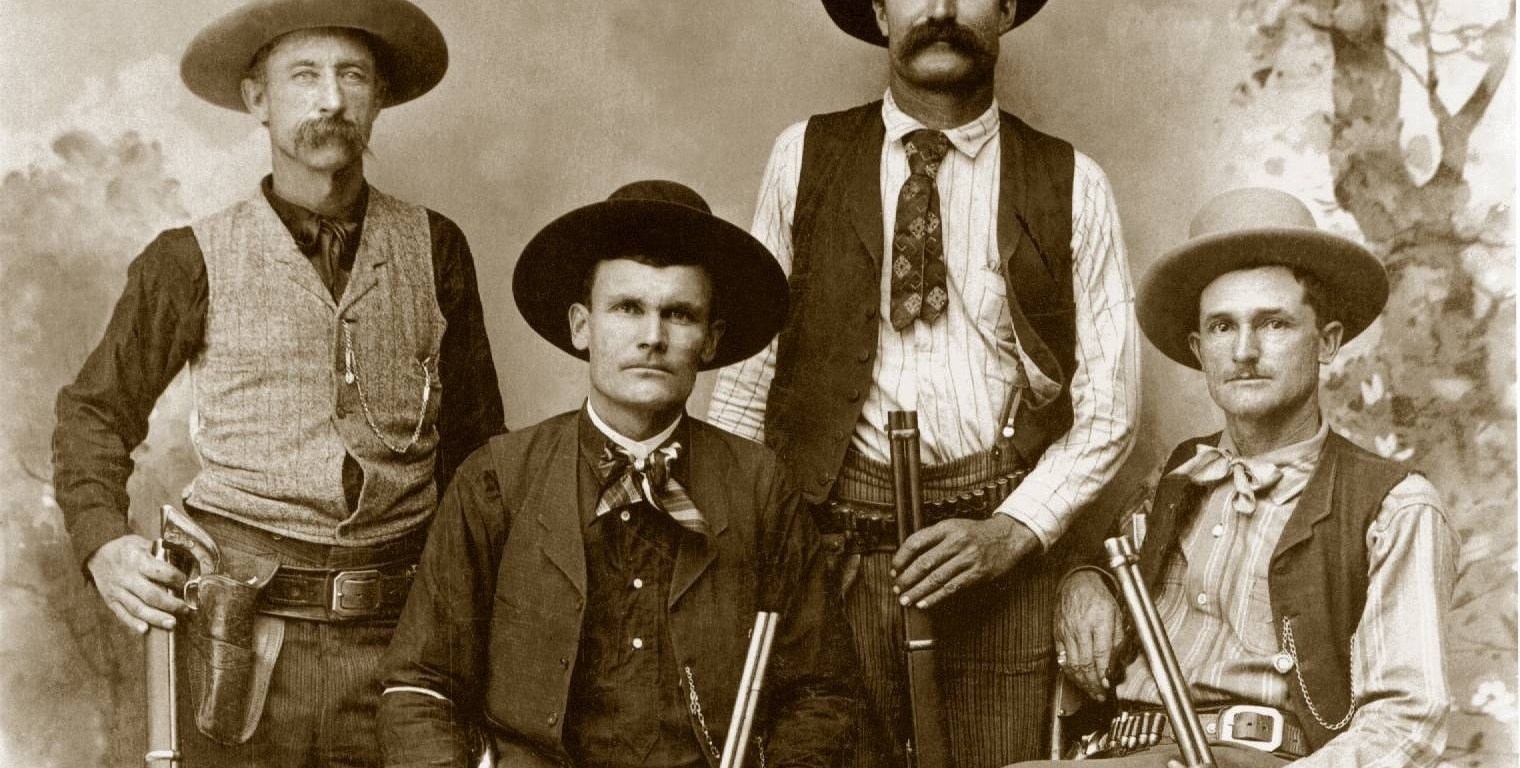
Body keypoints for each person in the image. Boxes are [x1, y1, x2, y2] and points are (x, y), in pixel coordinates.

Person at [50, 1, 504, 764]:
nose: (330, 99)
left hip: (404, 646)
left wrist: (466, 622)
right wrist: (103, 543)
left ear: (379, 97)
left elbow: (476, 452)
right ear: (257, 98)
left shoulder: (436, 249)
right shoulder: (187, 259)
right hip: (236, 646)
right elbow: (92, 414)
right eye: (304, 76)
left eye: (352, 75)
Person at [706, 0, 1137, 763]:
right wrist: (745, 555)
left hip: (996, 563)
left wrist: (1010, 533)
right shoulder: (803, 156)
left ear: (1006, 9)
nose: (940, 10)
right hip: (831, 556)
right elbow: (747, 379)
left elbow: (1110, 409)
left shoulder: (1074, 181)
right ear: (879, 10)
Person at [377, 180, 857, 768]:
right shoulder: (497, 480)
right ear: (582, 326)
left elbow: (822, 694)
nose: (653, 337)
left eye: (679, 314)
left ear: (711, 341)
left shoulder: (760, 487)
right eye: (628, 308)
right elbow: (419, 688)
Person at [1016, 188, 1456, 767]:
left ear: (1326, 342)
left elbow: (1408, 721)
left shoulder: (1396, 507)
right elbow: (1111, 567)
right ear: (1200, 350)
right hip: (1115, 752)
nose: (1244, 351)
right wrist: (1084, 581)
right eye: (1222, 327)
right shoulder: (1176, 476)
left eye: (1274, 323)